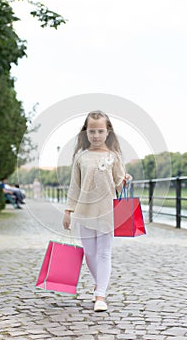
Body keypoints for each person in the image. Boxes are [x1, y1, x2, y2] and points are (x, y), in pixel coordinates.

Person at [63, 110, 132, 312]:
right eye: (92, 131)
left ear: (108, 132)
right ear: (86, 132)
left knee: (103, 253)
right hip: (84, 211)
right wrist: (68, 210)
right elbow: (74, 186)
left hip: (106, 211)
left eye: (100, 131)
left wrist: (125, 180)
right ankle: (98, 283)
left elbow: (119, 186)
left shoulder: (114, 157)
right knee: (90, 253)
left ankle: (100, 294)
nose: (96, 135)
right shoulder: (80, 157)